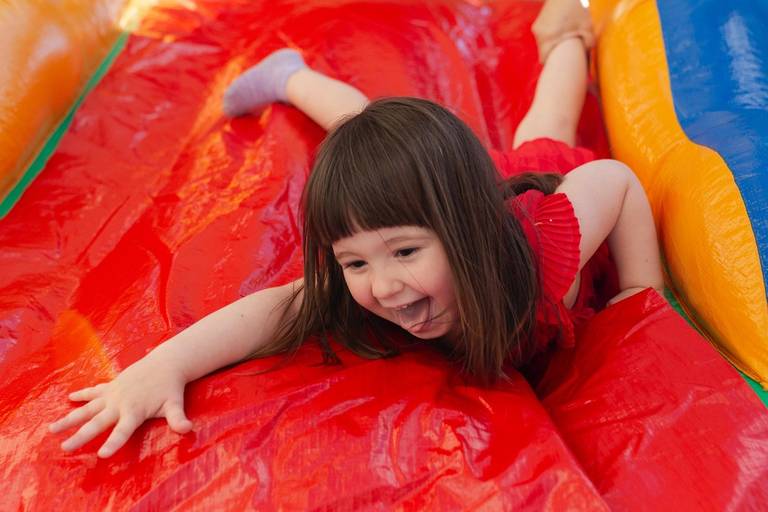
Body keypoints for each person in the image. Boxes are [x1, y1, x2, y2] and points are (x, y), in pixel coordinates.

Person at [49, 0, 663, 458]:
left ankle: (566, 29)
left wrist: (642, 289)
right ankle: (289, 75)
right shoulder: (375, 280)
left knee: (546, 128)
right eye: (356, 262)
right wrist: (163, 365)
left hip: (533, 184)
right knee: (364, 134)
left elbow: (615, 180)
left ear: (466, 228)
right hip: (443, 198)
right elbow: (273, 308)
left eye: (405, 253)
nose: (385, 286)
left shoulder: (547, 248)